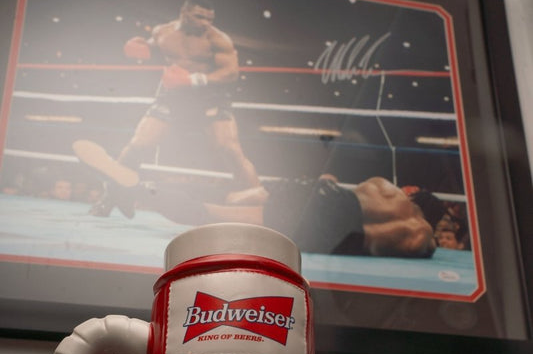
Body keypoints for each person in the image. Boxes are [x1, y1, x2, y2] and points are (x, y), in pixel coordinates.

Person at [73, 135, 439, 259]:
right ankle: (137, 189)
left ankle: (136, 187)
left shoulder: (384, 189)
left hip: (321, 199)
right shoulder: (420, 238)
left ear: (414, 195)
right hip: (330, 229)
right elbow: (367, 247)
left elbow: (337, 184)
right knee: (210, 214)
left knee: (227, 201)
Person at [90, 0, 259, 216]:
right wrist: (143, 48)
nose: (206, 23)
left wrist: (194, 79)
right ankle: (111, 198)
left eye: (210, 18)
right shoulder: (163, 32)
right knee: (138, 145)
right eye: (200, 17)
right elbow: (155, 47)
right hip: (173, 95)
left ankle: (258, 203)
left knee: (229, 149)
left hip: (210, 96)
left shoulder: (218, 39)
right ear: (184, 13)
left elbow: (231, 73)